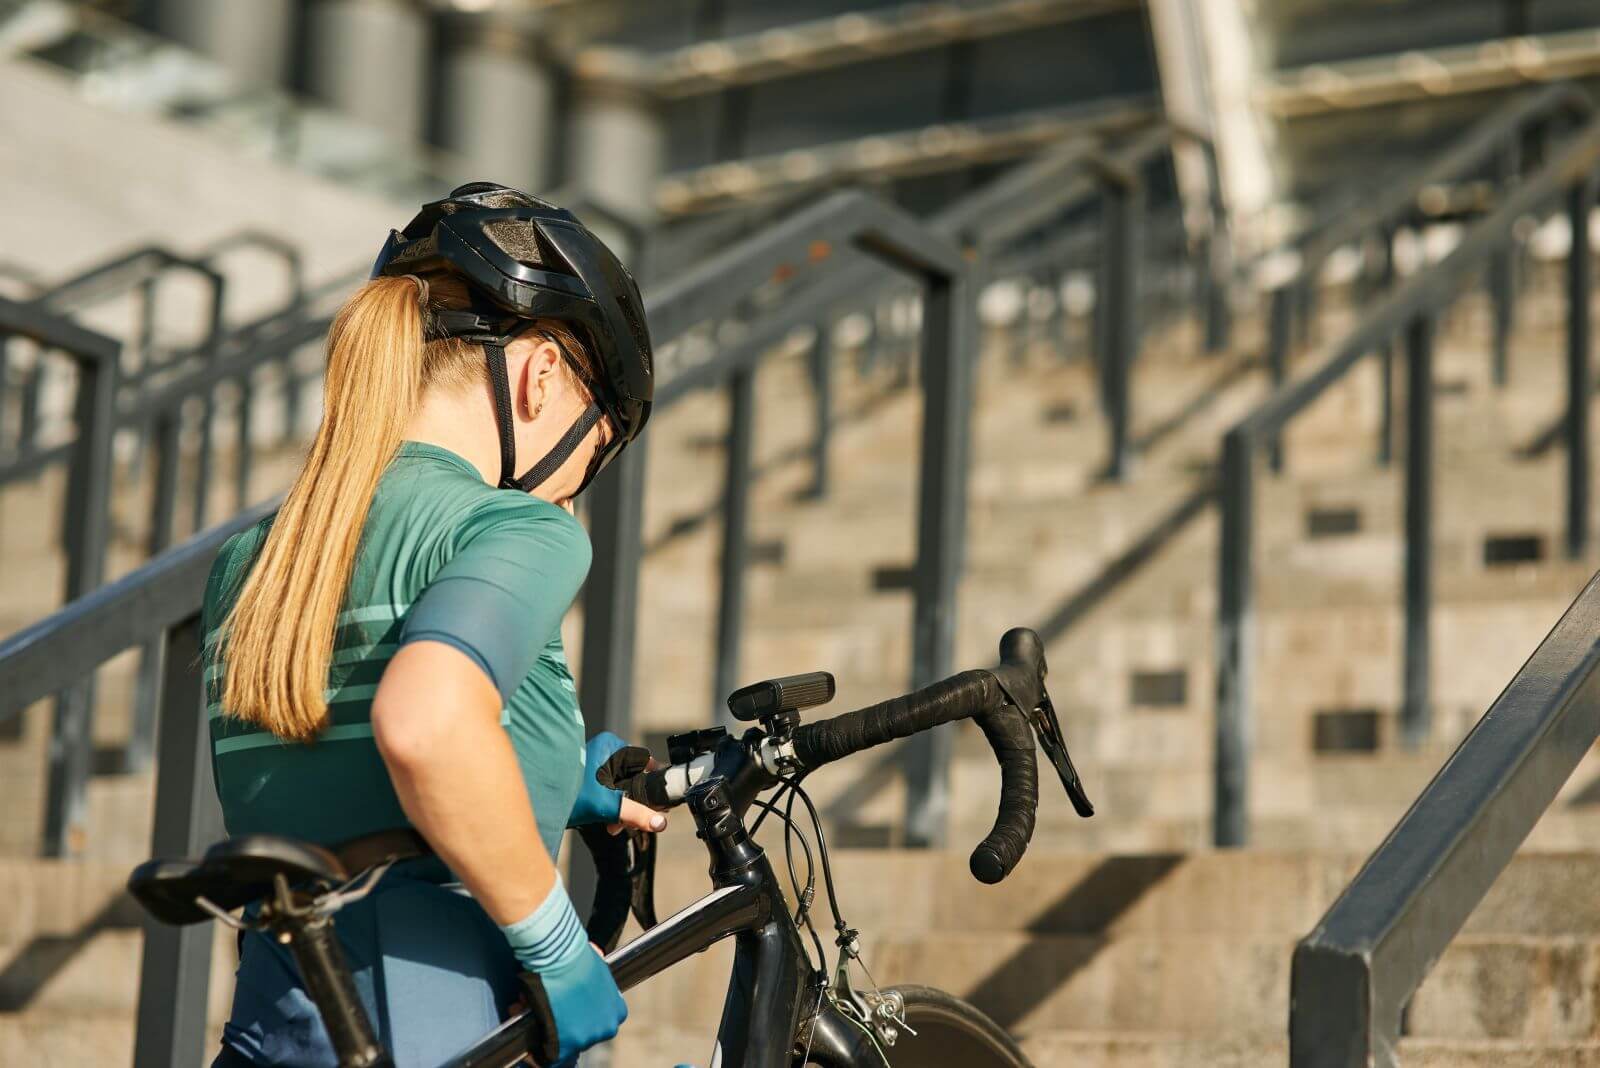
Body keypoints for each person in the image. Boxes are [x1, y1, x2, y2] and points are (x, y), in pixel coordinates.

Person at [201, 183, 659, 1068]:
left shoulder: (254, 559)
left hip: (277, 1021)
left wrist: (553, 767)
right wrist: (558, 944)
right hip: (440, 1017)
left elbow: (336, 760)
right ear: (541, 377)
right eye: (594, 451)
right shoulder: (515, 527)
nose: (572, 488)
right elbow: (424, 728)